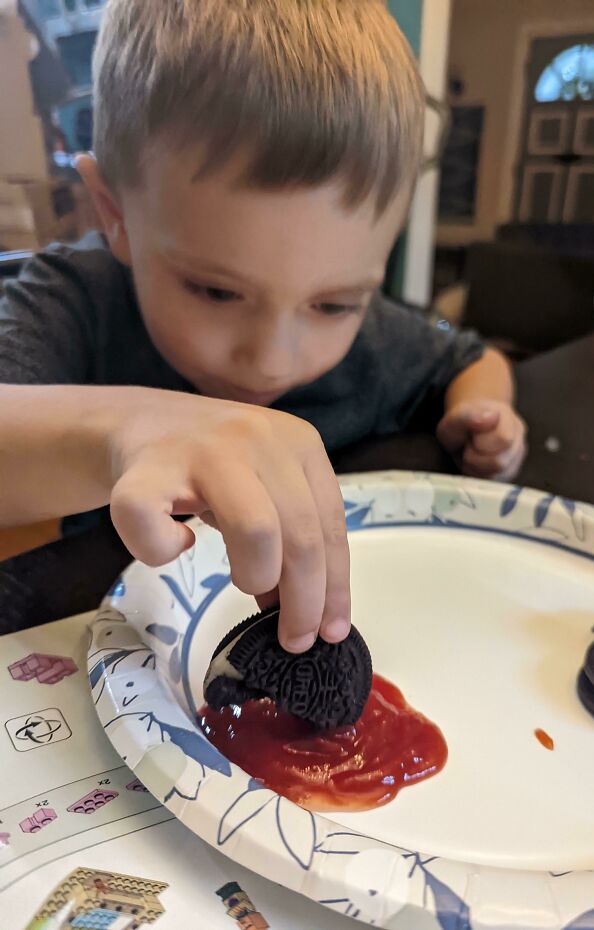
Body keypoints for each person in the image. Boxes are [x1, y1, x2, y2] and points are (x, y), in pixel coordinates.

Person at [0, 0, 526, 654]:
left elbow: (474, 359)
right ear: (115, 213)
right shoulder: (75, 299)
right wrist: (125, 431)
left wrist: (482, 412)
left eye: (333, 305)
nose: (272, 360)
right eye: (216, 290)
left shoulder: (377, 342)